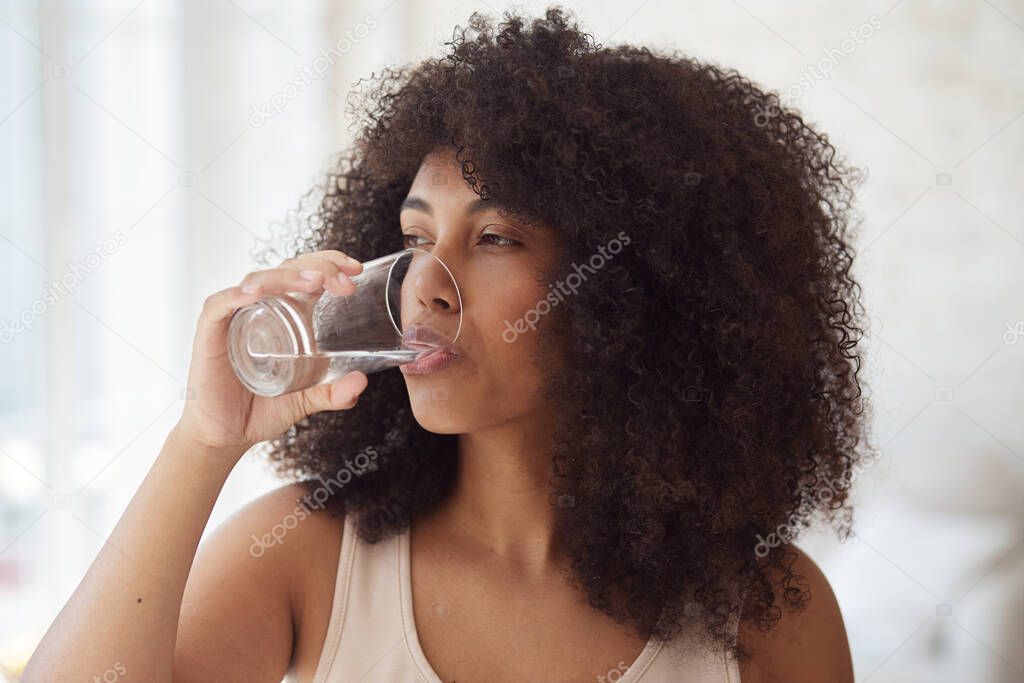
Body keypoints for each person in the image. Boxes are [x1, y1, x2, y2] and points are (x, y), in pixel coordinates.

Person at [24, 7, 870, 682]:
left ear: (629, 290)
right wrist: (202, 442)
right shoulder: (308, 555)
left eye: (497, 236)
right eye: (415, 235)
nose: (425, 284)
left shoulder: (765, 614)